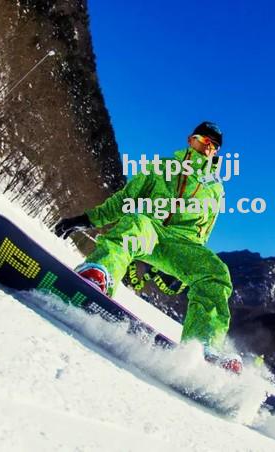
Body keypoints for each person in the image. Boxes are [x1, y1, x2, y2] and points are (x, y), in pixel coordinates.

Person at [54, 122, 240, 372]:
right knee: (134, 224)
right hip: (149, 228)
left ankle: (203, 346)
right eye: (202, 140)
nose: (207, 148)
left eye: (213, 146)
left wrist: (185, 268)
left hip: (182, 244)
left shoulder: (216, 189)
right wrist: (87, 219)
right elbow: (125, 200)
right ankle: (98, 276)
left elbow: (203, 232)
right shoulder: (162, 167)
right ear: (190, 140)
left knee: (216, 272)